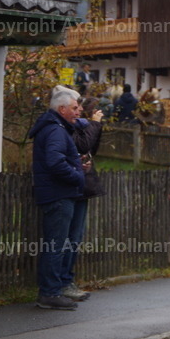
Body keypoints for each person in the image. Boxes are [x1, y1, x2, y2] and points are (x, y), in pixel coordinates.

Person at [28, 86, 88, 310]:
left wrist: (76, 165)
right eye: (74, 108)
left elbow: (56, 159)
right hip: (59, 195)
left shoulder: (56, 127)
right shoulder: (55, 130)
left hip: (57, 193)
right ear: (62, 109)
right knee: (56, 245)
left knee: (57, 244)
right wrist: (77, 175)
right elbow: (54, 162)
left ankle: (52, 290)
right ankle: (50, 292)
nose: (78, 111)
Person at [61, 98, 105, 301]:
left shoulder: (78, 127)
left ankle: (66, 280)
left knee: (75, 237)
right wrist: (95, 124)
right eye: (75, 108)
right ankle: (62, 283)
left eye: (79, 108)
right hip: (70, 188)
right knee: (65, 239)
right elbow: (83, 145)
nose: (78, 111)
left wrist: (97, 126)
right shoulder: (63, 128)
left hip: (81, 186)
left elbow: (90, 149)